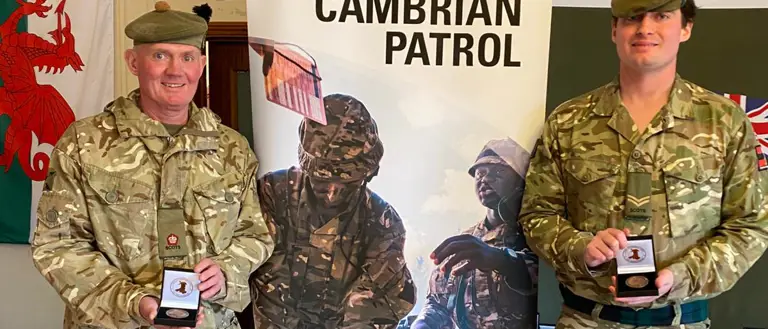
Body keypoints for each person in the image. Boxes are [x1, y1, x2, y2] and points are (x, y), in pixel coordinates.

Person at [517, 0, 768, 328]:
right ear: (614, 30)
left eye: (661, 16)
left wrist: (678, 276)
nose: (645, 28)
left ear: (686, 28)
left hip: (680, 321)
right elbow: (538, 215)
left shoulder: (723, 122)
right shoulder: (569, 121)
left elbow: (749, 225)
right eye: (632, 17)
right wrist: (580, 249)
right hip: (585, 320)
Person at [30, 2, 275, 329]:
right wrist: (135, 303)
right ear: (134, 62)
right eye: (160, 56)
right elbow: (58, 244)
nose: (176, 70)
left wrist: (226, 271)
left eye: (187, 57)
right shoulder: (85, 143)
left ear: (201, 64)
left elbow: (255, 235)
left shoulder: (232, 148)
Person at [246, 93, 417, 328]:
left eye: (347, 184)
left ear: (368, 174)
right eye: (321, 182)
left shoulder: (383, 222)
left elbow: (371, 306)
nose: (331, 195)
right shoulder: (274, 194)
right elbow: (270, 286)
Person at [412, 138, 539, 329]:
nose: (485, 179)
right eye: (480, 173)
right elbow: (438, 303)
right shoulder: (465, 241)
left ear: (521, 180)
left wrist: (503, 261)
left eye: (499, 172)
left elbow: (542, 283)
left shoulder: (536, 235)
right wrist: (424, 323)